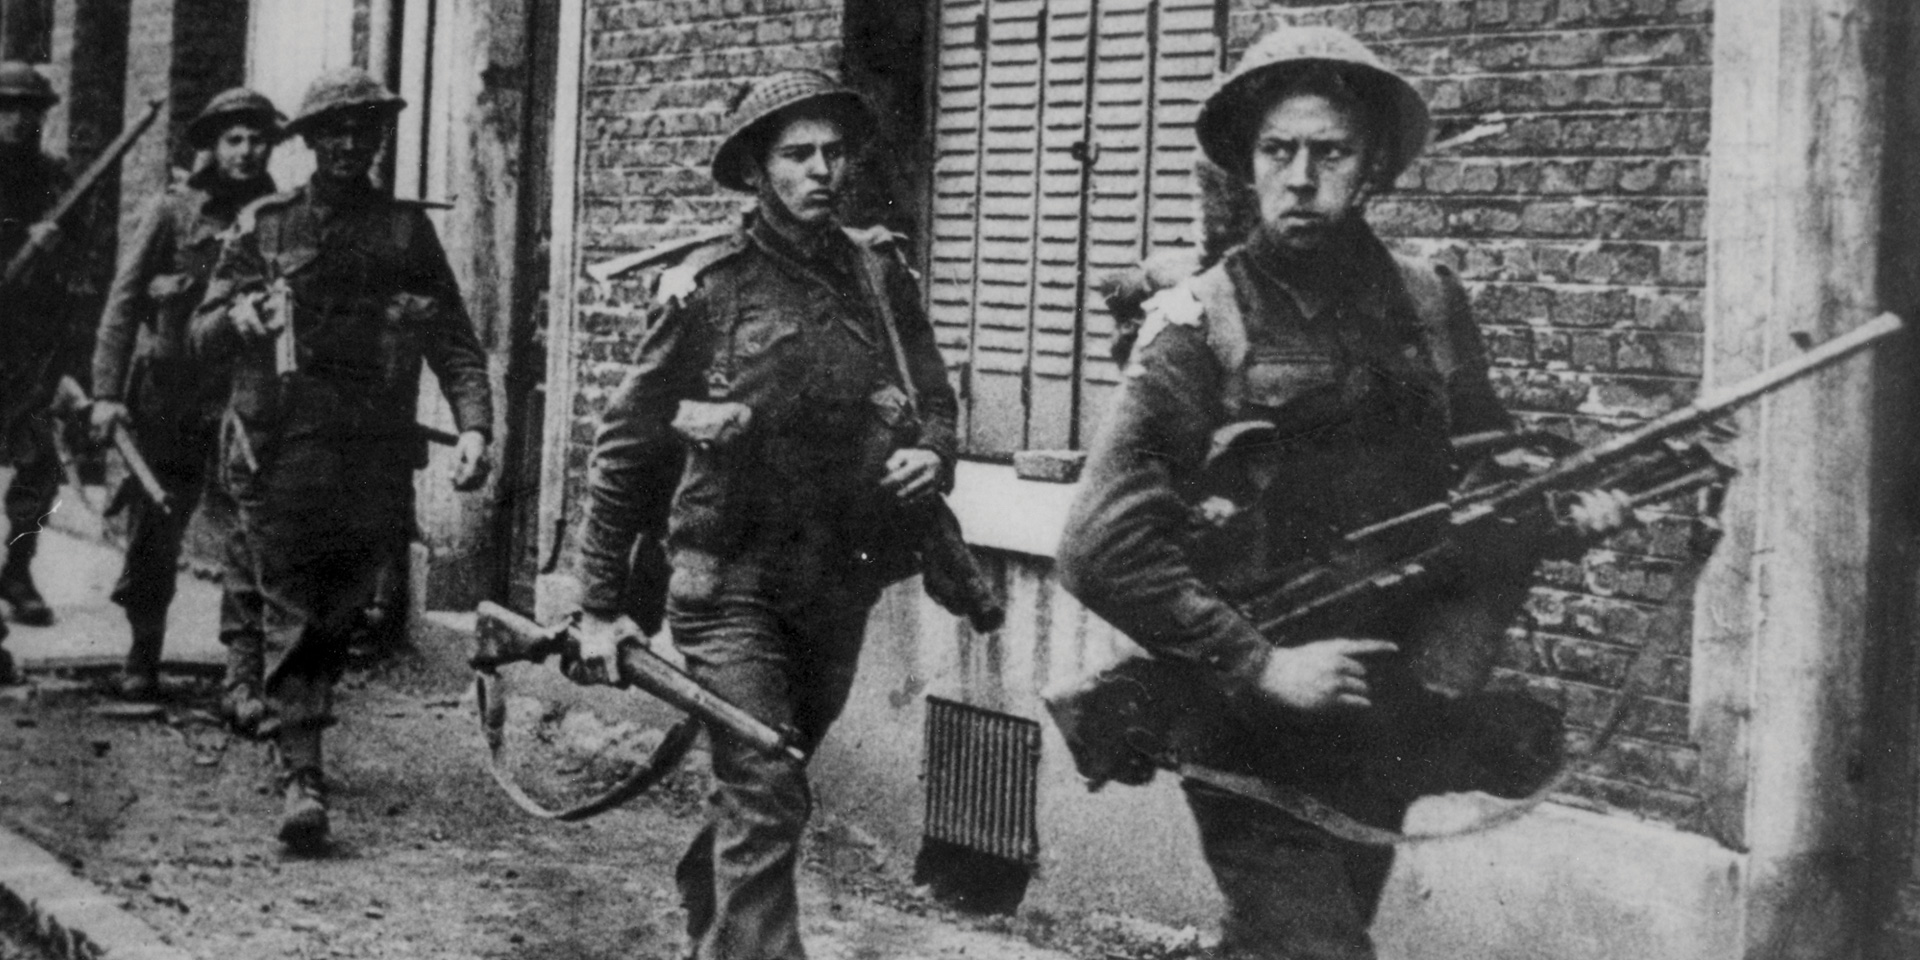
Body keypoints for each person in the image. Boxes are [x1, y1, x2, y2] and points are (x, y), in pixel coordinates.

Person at [1055, 26, 1626, 960]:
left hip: (1380, 710)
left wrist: (1565, 516)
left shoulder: (1431, 303)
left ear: (1373, 171)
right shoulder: (1197, 326)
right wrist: (1260, 664)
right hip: (1243, 721)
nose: (1302, 176)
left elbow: (1483, 480)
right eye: (1278, 151)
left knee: (1293, 941)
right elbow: (1096, 546)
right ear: (1247, 166)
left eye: (1332, 152)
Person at [569, 70, 959, 960]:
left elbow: (936, 395)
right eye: (798, 154)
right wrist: (597, 604)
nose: (823, 169)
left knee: (771, 779)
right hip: (726, 576)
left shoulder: (879, 272)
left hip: (837, 577)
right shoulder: (706, 288)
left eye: (833, 152)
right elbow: (626, 444)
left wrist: (931, 452)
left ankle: (714, 913)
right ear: (757, 170)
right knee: (768, 780)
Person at [190, 67, 493, 853]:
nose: (352, 144)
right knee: (292, 598)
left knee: (343, 605)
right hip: (282, 444)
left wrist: (474, 427)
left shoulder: (405, 233)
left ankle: (300, 725)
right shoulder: (266, 228)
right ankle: (303, 775)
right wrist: (242, 316)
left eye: (367, 130)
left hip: (374, 453)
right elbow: (201, 333)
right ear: (312, 143)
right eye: (336, 132)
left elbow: (453, 339)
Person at [90, 88, 283, 703]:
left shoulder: (280, 214)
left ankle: (241, 674)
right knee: (158, 525)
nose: (246, 151)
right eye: (233, 139)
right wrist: (106, 392)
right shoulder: (174, 211)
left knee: (246, 533)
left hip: (244, 396)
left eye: (257, 139)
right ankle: (143, 651)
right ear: (211, 145)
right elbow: (122, 306)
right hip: (171, 395)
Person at [0, 61, 75, 641]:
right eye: (7, 107)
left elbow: (82, 255)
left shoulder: (55, 178)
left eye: (30, 109)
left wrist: (53, 248)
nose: (20, 119)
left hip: (31, 342)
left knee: (39, 464)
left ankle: (18, 571)